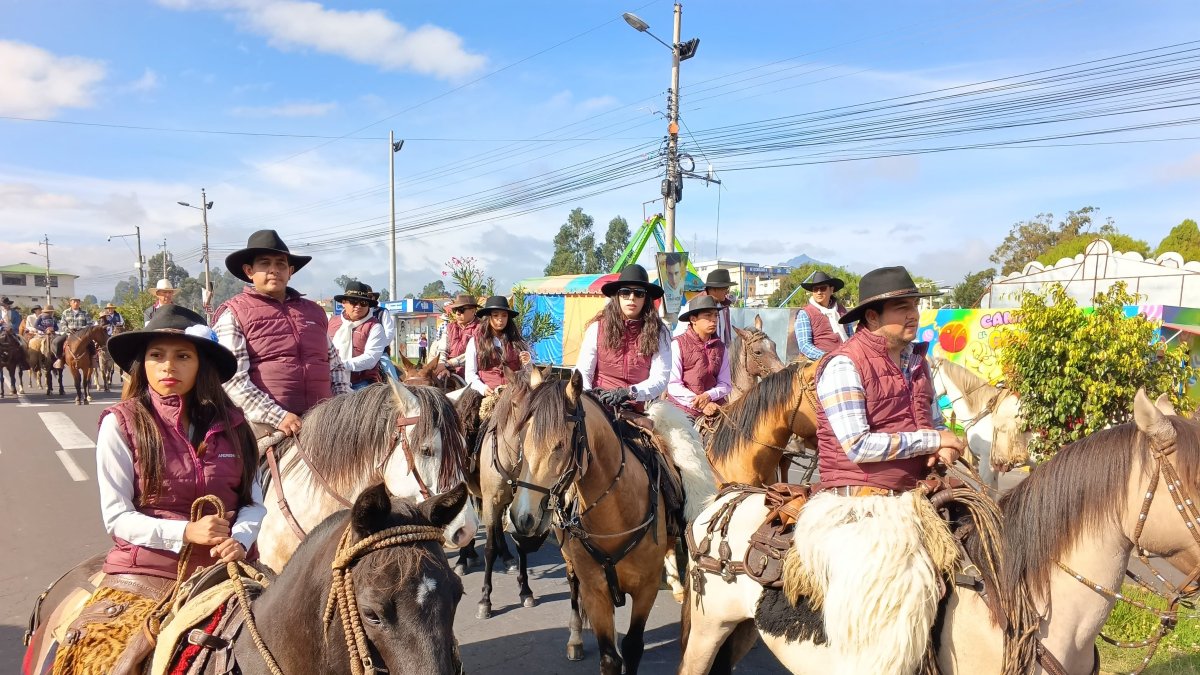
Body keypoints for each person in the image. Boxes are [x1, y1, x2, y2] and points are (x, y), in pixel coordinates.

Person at [51, 305, 263, 675]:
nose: (169, 366)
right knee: (97, 660)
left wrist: (240, 540)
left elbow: (253, 502)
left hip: (226, 568)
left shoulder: (236, 426)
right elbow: (117, 517)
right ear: (143, 364)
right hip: (146, 571)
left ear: (202, 366)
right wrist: (186, 532)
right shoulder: (122, 424)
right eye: (157, 356)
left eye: (183, 356)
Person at [801, 266, 964, 670]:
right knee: (894, 601)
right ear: (871, 318)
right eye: (901, 307)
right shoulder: (843, 365)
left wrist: (941, 449)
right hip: (861, 504)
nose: (913, 315)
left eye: (915, 306)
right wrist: (932, 441)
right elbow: (857, 445)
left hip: (915, 494)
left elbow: (934, 424)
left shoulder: (918, 362)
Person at [213, 230, 351, 438]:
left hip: (324, 420)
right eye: (265, 263)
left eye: (280, 264)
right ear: (249, 270)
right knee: (239, 467)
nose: (273, 270)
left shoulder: (314, 312)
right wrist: (278, 416)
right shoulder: (233, 313)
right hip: (265, 424)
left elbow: (335, 367)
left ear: (290, 271)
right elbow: (232, 379)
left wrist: (343, 408)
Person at [575, 264, 670, 410]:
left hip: (640, 409)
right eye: (625, 292)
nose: (632, 298)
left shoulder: (660, 332)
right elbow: (582, 372)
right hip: (598, 407)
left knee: (679, 433)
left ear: (646, 298)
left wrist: (630, 393)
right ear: (617, 296)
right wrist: (592, 397)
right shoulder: (596, 329)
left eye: (639, 293)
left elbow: (660, 378)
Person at [667, 295, 733, 421]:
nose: (714, 320)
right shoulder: (677, 345)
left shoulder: (721, 347)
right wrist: (701, 404)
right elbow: (673, 385)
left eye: (716, 315)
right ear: (693, 319)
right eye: (708, 316)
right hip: (684, 410)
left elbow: (725, 383)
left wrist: (709, 395)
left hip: (716, 407)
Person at [464, 295, 531, 395]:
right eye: (495, 315)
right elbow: (470, 373)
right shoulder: (475, 342)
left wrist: (527, 363)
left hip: (514, 392)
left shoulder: (518, 342)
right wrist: (482, 388)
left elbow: (527, 372)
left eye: (504, 315)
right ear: (488, 317)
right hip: (487, 393)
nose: (500, 319)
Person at [328, 281, 386, 390]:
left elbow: (371, 358)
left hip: (361, 383)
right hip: (330, 379)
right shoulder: (331, 323)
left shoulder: (375, 326)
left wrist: (341, 366)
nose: (358, 306)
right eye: (353, 301)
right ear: (344, 302)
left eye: (363, 303)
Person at [794, 270, 853, 361]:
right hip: (818, 361)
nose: (819, 292)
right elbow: (805, 345)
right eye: (815, 289)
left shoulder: (842, 311)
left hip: (846, 356)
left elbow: (851, 338)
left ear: (831, 290)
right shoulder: (804, 313)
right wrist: (829, 357)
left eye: (822, 288)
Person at [673, 268, 737, 345]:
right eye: (725, 288)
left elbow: (729, 336)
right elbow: (679, 336)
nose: (728, 292)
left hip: (720, 353)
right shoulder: (692, 306)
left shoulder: (724, 308)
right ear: (714, 289)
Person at [433, 294, 481, 380]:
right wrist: (441, 364)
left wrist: (448, 364)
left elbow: (475, 354)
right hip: (447, 369)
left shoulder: (481, 328)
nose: (458, 313)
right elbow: (443, 349)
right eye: (455, 310)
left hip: (472, 373)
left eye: (461, 310)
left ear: (473, 311)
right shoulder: (450, 327)